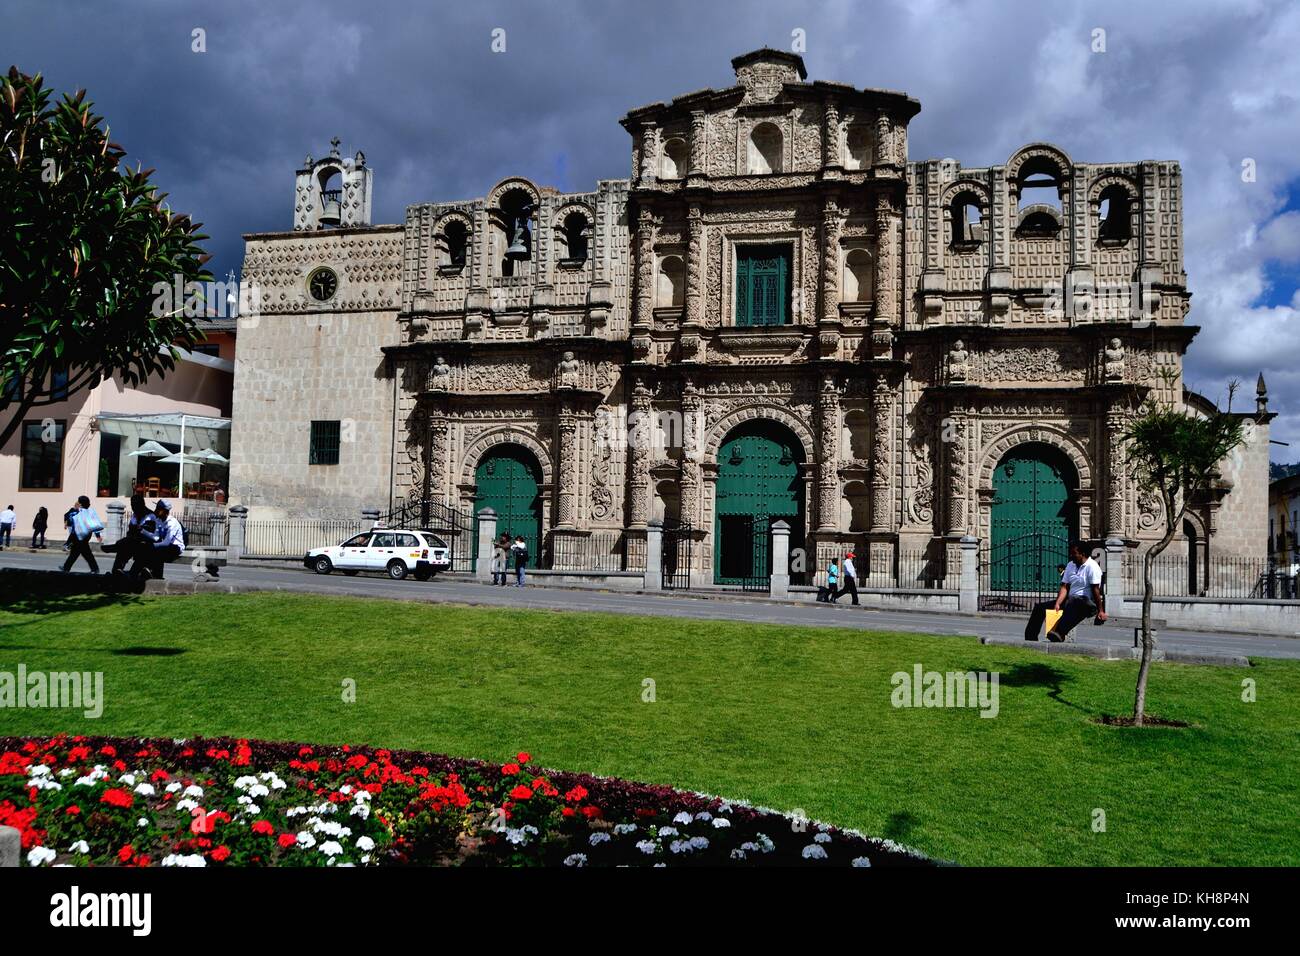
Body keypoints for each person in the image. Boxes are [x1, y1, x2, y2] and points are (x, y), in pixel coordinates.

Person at [1025, 540, 1108, 642]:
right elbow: (1065, 587)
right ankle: (1030, 638)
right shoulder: (1070, 565)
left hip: (1086, 603)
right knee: (1040, 608)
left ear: (1083, 554)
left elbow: (1095, 590)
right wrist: (1058, 603)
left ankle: (1059, 632)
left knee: (1075, 601)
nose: (1071, 555)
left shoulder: (1092, 567)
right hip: (1071, 600)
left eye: (1074, 553)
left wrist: (1100, 611)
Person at [134, 499, 185, 580]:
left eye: (158, 509)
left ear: (165, 511)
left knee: (157, 549)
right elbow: (156, 537)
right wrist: (143, 531)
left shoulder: (172, 523)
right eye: (156, 508)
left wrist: (151, 545)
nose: (155, 511)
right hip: (165, 546)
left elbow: (166, 542)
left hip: (176, 547)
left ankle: (156, 575)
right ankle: (134, 573)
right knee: (143, 547)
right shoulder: (159, 520)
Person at [111, 493, 158, 575]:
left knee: (131, 545)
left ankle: (132, 572)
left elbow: (148, 534)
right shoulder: (135, 516)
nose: (133, 508)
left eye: (135, 505)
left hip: (146, 543)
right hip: (134, 540)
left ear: (142, 504)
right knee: (123, 546)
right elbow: (131, 531)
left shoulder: (150, 516)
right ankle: (117, 569)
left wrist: (138, 531)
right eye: (132, 505)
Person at [60, 496, 104, 573]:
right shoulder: (90, 512)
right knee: (77, 552)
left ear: (80, 503)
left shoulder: (77, 512)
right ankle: (66, 567)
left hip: (78, 535)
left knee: (84, 553)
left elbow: (69, 520)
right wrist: (98, 535)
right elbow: (94, 524)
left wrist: (73, 509)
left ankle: (95, 569)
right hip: (87, 535)